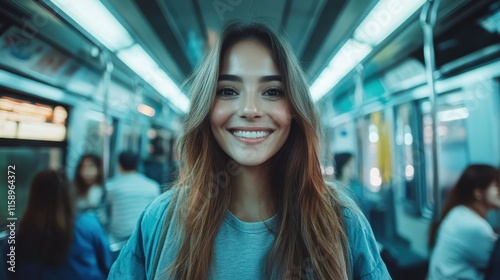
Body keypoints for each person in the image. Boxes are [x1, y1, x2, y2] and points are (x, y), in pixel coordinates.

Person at [109, 22, 390, 279]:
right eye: (228, 91)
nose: (250, 110)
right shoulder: (161, 219)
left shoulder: (341, 220)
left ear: (294, 109)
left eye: (272, 92)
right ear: (207, 108)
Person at [0, 169, 111, 280]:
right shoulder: (89, 226)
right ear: (69, 195)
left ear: (32, 197)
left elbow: (11, 274)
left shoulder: (15, 237)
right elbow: (107, 265)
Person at [428, 164, 500, 280]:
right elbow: (496, 260)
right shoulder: (473, 226)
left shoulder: (459, 212)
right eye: (496, 186)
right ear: (478, 194)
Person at [106, 151, 161, 242]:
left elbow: (107, 211)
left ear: (119, 166)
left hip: (118, 238)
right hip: (144, 236)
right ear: (137, 165)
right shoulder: (152, 186)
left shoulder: (111, 187)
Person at [334, 152, 372, 219]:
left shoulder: (356, 185)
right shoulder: (334, 188)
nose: (352, 169)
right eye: (349, 166)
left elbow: (366, 202)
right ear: (343, 166)